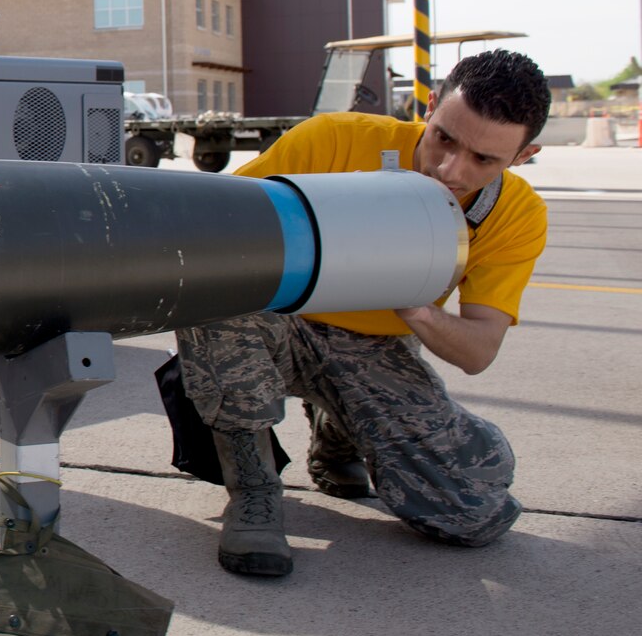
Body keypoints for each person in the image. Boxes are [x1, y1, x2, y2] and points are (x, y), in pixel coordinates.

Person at [175, 50, 550, 577]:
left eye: (484, 160)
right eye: (444, 136)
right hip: (283, 323)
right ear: (432, 104)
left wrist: (411, 297)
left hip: (377, 347)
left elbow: (479, 351)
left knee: (471, 513)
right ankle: (255, 491)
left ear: (524, 154)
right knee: (212, 293)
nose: (450, 169)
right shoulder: (332, 140)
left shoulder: (518, 216)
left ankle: (338, 432)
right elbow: (217, 226)